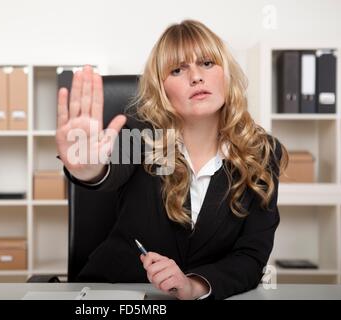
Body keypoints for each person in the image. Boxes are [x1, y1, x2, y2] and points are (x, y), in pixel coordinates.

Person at [55, 19, 288, 300]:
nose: (196, 77)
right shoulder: (143, 136)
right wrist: (87, 168)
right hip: (116, 294)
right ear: (161, 88)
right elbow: (108, 171)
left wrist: (194, 286)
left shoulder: (259, 151)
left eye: (207, 63)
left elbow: (251, 256)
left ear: (226, 74)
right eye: (178, 69)